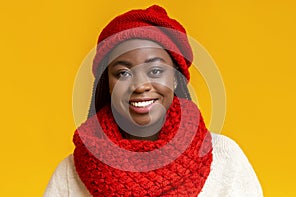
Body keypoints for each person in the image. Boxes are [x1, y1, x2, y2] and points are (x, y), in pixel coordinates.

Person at [44, 5, 263, 197]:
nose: (140, 86)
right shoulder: (71, 171)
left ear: (176, 79)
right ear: (107, 84)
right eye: (122, 73)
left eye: (156, 70)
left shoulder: (225, 159)